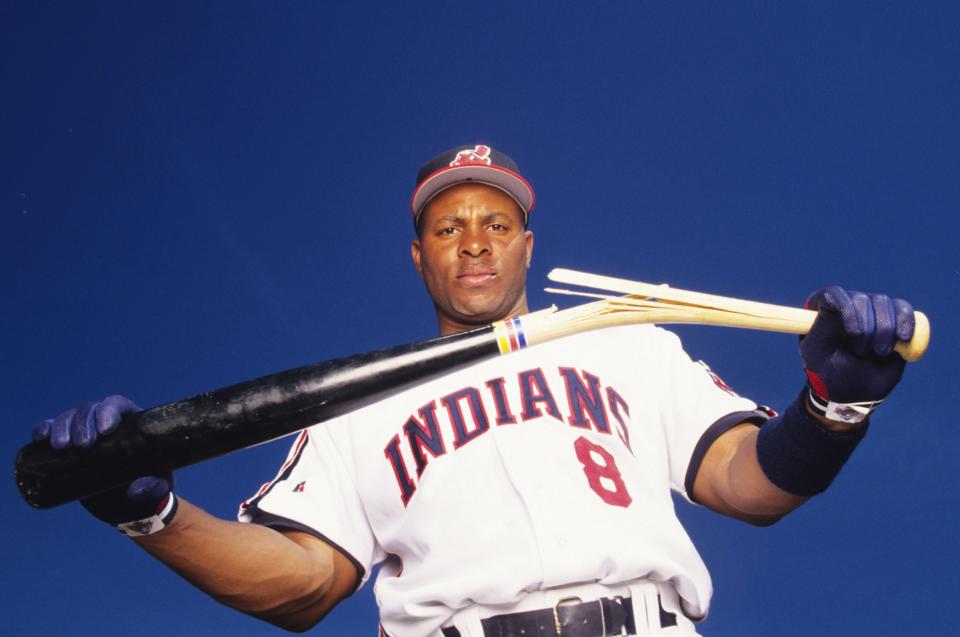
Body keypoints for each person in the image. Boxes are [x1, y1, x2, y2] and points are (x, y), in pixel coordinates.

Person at [33, 144, 916, 637]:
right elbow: (302, 584)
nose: (474, 241)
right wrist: (149, 513)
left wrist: (834, 408)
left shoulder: (631, 345)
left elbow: (748, 483)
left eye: (496, 223)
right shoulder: (357, 410)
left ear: (529, 245)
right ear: (420, 257)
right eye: (447, 227)